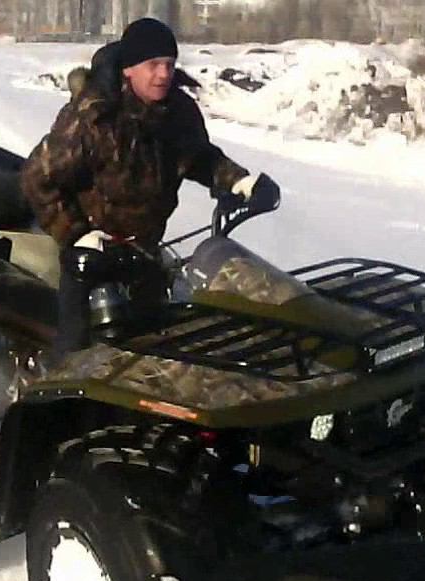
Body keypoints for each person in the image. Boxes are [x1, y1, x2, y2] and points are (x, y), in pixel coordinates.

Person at [21, 17, 278, 354]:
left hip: (145, 254)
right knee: (75, 355)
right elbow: (37, 177)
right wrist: (76, 234)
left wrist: (239, 181)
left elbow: (198, 157)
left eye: (170, 65)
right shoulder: (95, 117)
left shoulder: (177, 111)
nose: (163, 74)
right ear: (129, 69)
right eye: (153, 65)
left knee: (154, 348)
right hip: (91, 261)